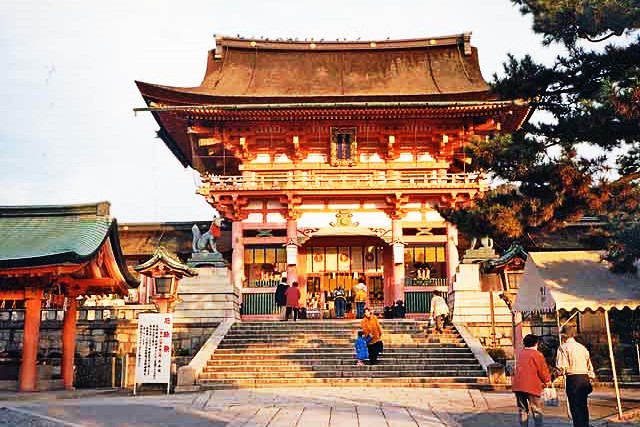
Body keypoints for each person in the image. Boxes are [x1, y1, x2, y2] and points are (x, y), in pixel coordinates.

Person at [556, 325, 595, 427]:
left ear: (564, 336)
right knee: (583, 405)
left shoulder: (563, 348)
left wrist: (557, 374)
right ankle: (585, 424)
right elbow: (589, 366)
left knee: (575, 406)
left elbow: (562, 367)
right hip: (584, 378)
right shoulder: (582, 348)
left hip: (573, 379)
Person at [512, 334, 552, 427]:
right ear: (536, 343)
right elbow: (542, 370)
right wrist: (547, 381)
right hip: (532, 385)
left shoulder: (520, 354)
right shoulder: (537, 354)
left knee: (522, 409)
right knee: (536, 409)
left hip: (518, 385)